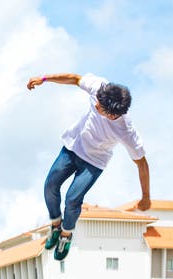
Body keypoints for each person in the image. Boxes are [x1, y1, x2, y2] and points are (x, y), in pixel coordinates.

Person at [27, 73, 150, 261]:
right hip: (73, 147)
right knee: (50, 186)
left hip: (94, 162)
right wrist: (43, 79)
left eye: (100, 107)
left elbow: (141, 163)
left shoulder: (126, 132)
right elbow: (74, 78)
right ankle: (55, 224)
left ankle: (66, 235)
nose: (95, 105)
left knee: (72, 199)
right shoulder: (101, 88)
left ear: (112, 114)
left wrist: (146, 197)